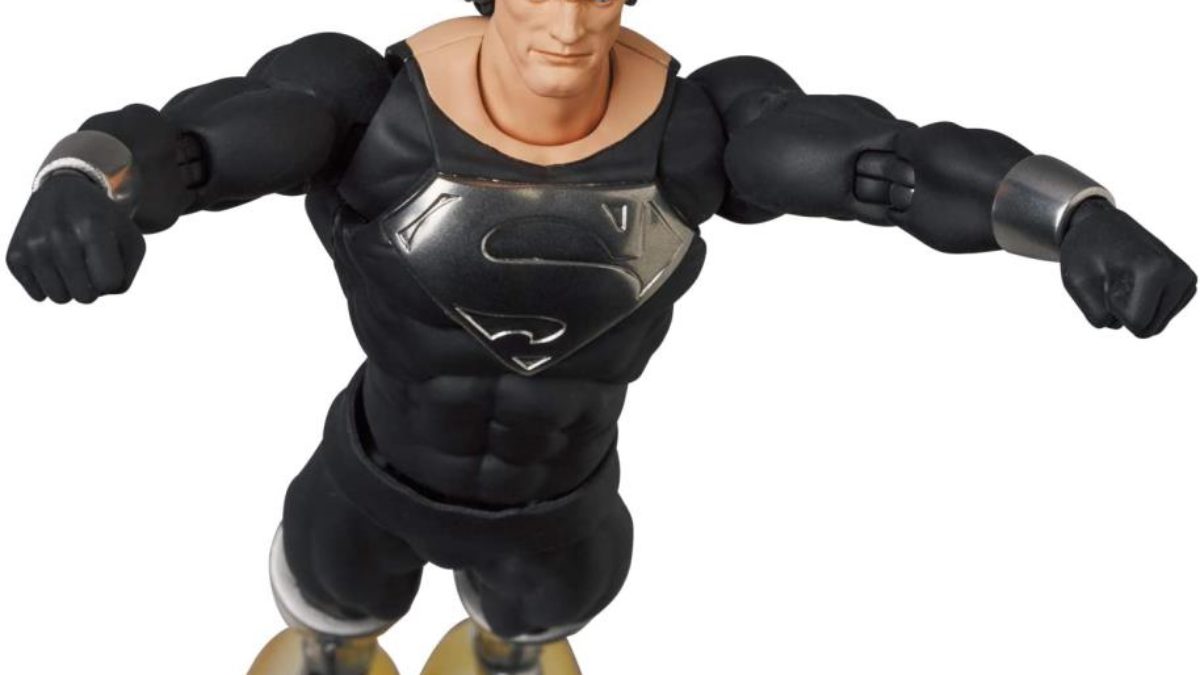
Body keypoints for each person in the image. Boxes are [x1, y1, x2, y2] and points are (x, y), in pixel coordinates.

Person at [7, 1, 1194, 673]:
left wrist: (1072, 217)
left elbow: (892, 167)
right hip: (371, 477)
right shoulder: (367, 104)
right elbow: (187, 145)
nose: (572, 23)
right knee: (325, 631)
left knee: (529, 642)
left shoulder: (699, 129)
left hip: (561, 501)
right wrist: (82, 179)